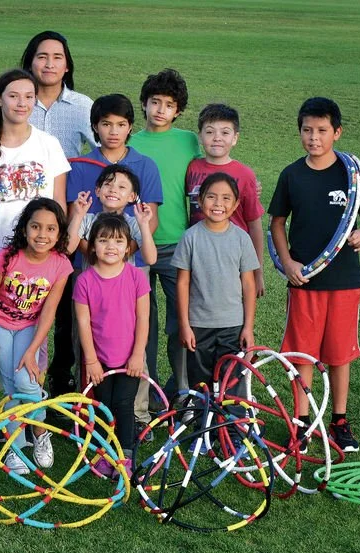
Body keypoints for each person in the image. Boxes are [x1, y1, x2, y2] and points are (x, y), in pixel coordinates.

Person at [268, 97, 360, 452]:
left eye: (321, 131)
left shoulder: (351, 176)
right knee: (302, 355)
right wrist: (287, 263)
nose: (313, 138)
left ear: (337, 133)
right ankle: (301, 422)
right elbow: (277, 224)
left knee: (338, 355)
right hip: (305, 281)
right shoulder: (292, 175)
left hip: (345, 281)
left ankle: (339, 421)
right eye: (307, 130)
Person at [50, 93, 163, 396]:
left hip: (131, 273)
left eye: (121, 124)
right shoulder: (81, 165)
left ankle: (136, 407)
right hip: (89, 272)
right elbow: (75, 223)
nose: (113, 131)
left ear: (130, 127)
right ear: (95, 127)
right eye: (106, 124)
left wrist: (121, 256)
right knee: (83, 332)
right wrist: (101, 256)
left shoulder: (145, 165)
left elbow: (149, 221)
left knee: (137, 332)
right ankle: (84, 401)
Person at [0, 199, 72, 474]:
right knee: (11, 386)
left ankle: (40, 429)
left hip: (30, 327)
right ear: (24, 228)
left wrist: (33, 350)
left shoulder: (61, 265)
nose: (42, 235)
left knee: (25, 378)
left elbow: (49, 312)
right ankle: (17, 445)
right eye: (35, 227)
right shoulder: (7, 257)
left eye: (50, 229)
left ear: (59, 234)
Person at [127, 69, 201, 399]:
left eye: (169, 105)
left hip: (178, 245)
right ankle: (149, 390)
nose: (160, 110)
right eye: (155, 102)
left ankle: (181, 390)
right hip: (135, 245)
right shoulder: (130, 140)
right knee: (143, 324)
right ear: (143, 104)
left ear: (178, 110)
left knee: (181, 322)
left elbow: (205, 178)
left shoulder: (188, 141)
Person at [0, 69, 70, 259]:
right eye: (13, 96)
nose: (22, 103)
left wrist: (56, 248)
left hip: (39, 256)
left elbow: (59, 202)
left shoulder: (50, 144)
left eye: (29, 97)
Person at [74, 214, 151, 478]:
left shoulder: (137, 277)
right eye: (103, 239)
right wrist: (92, 360)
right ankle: (105, 452)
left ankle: (125, 456)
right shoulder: (84, 280)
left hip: (129, 357)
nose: (111, 246)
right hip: (100, 360)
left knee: (124, 404)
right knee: (104, 405)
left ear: (128, 247)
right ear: (92, 245)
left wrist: (138, 354)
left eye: (118, 241)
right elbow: (83, 323)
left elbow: (143, 317)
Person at [174, 173, 258, 401]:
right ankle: (204, 426)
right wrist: (184, 325)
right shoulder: (190, 237)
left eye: (226, 198)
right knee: (200, 382)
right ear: (200, 201)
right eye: (211, 197)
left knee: (232, 380)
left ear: (236, 204)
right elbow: (182, 283)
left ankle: (232, 430)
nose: (218, 204)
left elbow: (249, 285)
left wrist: (248, 327)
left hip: (233, 325)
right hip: (199, 325)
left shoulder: (242, 238)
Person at [185, 104, 266, 297]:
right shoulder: (191, 168)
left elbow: (254, 224)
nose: (217, 138)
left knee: (233, 305)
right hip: (199, 251)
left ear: (235, 138)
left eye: (225, 132)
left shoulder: (245, 174)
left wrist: (258, 270)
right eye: (210, 132)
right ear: (200, 136)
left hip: (233, 254)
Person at [0, 31, 96, 158]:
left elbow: (106, 150)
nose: (50, 65)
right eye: (42, 57)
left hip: (66, 177)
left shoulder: (84, 106)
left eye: (57, 57)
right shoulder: (9, 104)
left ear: (67, 66)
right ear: (29, 64)